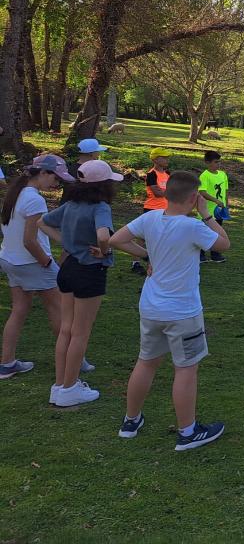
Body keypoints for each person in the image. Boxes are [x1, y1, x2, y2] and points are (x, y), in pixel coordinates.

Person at [108, 171, 230, 449]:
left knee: (146, 362)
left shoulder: (150, 218)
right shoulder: (192, 226)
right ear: (193, 197)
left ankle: (130, 420)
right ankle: (188, 432)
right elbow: (224, 243)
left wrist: (147, 255)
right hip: (182, 311)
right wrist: (206, 214)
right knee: (186, 369)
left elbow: (116, 240)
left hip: (151, 307)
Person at [39, 160, 133, 406]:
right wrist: (105, 251)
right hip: (89, 271)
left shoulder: (71, 204)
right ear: (104, 184)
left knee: (66, 329)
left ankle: (60, 386)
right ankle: (70, 388)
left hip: (68, 269)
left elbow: (42, 222)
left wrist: (66, 243)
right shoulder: (100, 207)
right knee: (80, 332)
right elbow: (103, 235)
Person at [0, 156, 75, 381]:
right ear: (42, 173)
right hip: (32, 263)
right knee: (60, 311)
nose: (57, 184)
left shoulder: (17, 193)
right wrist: (47, 262)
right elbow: (29, 240)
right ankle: (73, 361)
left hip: (10, 260)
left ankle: (7, 363)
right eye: (55, 178)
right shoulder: (34, 199)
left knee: (19, 310)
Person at [132, 148, 171, 276]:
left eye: (167, 157)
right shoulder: (151, 174)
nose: (167, 160)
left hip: (165, 210)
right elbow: (157, 192)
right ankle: (136, 263)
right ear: (155, 159)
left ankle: (157, 263)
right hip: (152, 209)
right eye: (164, 157)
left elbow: (166, 190)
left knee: (162, 236)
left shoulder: (167, 173)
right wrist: (172, 192)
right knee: (143, 237)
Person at [198, 150, 229, 264]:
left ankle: (215, 254)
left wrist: (226, 205)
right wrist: (216, 200)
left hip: (219, 211)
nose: (218, 164)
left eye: (219, 162)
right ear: (207, 162)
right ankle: (200, 254)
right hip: (207, 211)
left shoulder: (223, 174)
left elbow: (226, 191)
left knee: (217, 232)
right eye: (216, 162)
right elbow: (202, 192)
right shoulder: (204, 176)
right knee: (204, 232)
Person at [61, 138, 107, 203]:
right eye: (98, 151)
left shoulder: (68, 168)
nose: (99, 153)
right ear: (92, 153)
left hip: (66, 205)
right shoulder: (95, 170)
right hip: (86, 206)